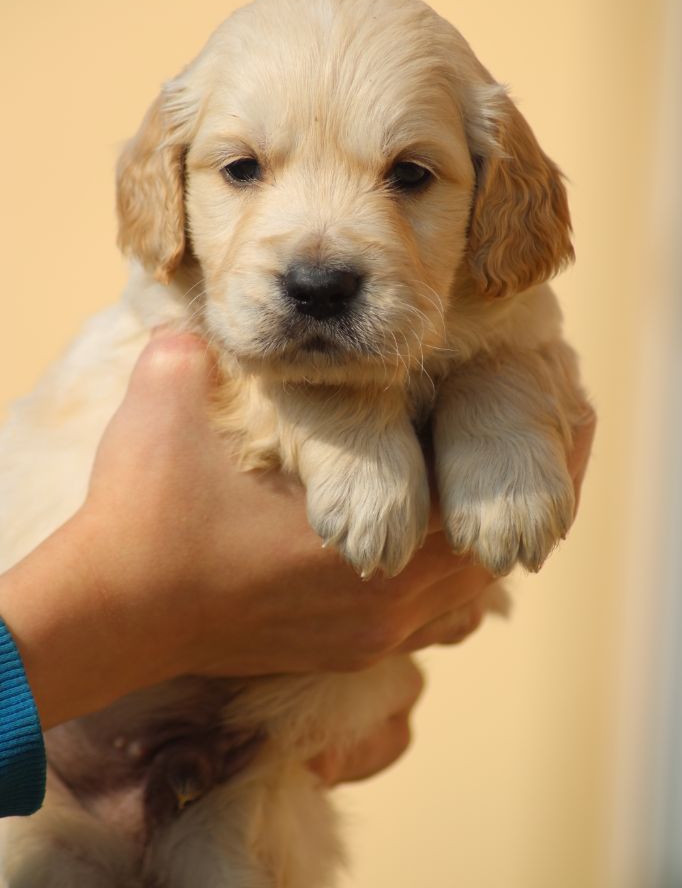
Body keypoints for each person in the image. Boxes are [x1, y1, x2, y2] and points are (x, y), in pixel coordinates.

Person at [0, 330, 595, 817]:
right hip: (50, 789)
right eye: (242, 173)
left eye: (408, 176)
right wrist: (158, 616)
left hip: (248, 785)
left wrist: (503, 392)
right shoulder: (168, 326)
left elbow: (510, 318)